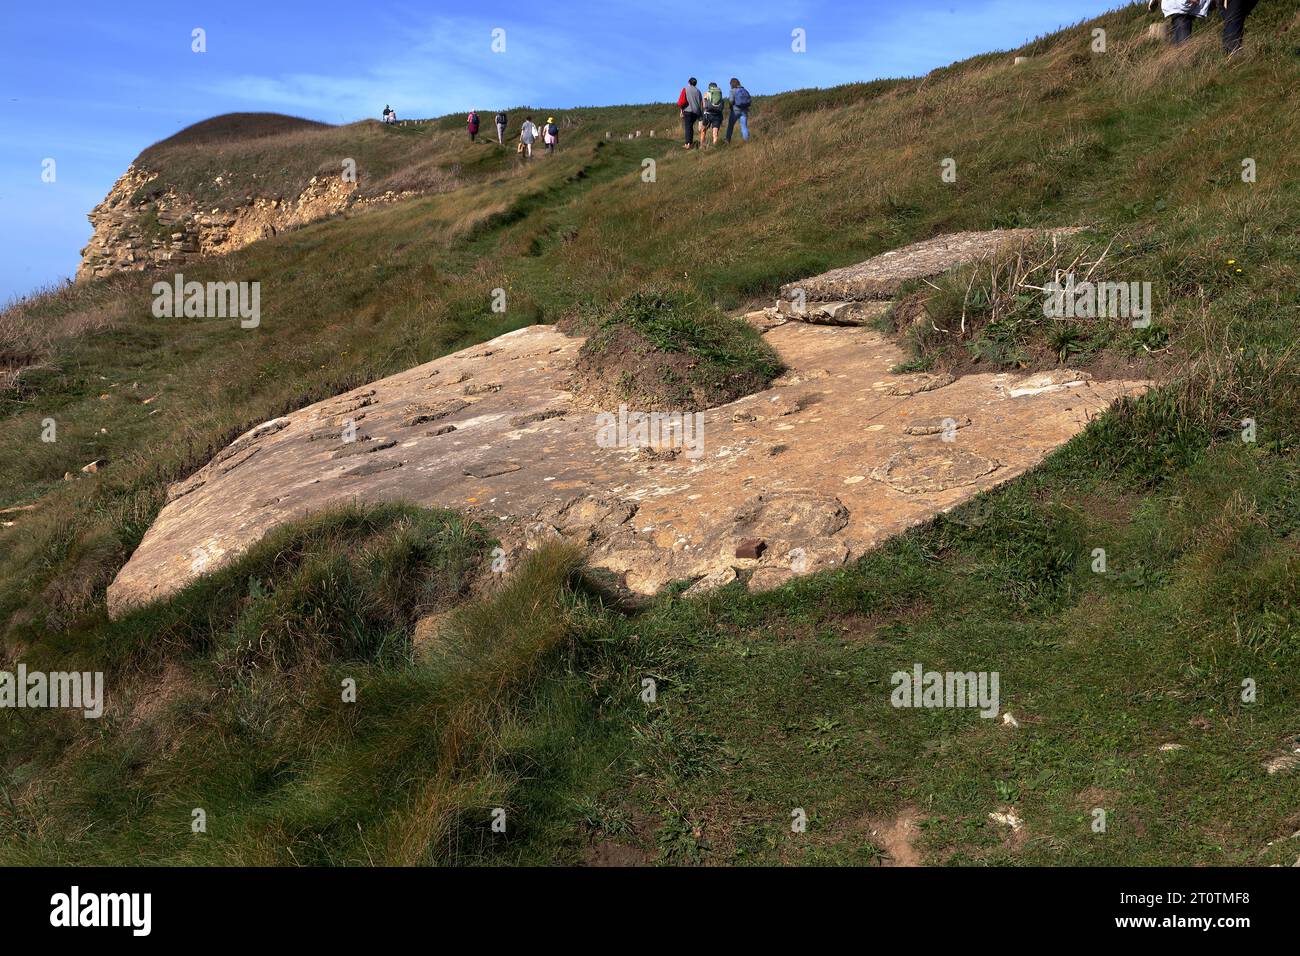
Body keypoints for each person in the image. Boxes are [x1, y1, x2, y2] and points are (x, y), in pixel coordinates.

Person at [677, 77, 704, 149]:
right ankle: (690, 143)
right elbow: (701, 103)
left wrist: (681, 110)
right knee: (690, 127)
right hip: (696, 112)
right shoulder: (698, 91)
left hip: (688, 111)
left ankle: (688, 144)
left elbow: (682, 101)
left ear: (689, 82)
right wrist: (700, 115)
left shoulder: (685, 89)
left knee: (688, 127)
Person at [726, 77, 751, 144]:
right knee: (744, 127)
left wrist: (730, 107)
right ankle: (747, 142)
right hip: (744, 111)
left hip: (735, 110)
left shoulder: (732, 90)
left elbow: (731, 101)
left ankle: (727, 141)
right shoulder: (744, 90)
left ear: (731, 84)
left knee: (730, 126)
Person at [701, 82, 724, 147]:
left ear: (709, 87)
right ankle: (715, 146)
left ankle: (702, 145)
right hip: (717, 115)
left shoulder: (706, 93)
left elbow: (704, 105)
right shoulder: (719, 93)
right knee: (715, 132)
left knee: (703, 130)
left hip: (708, 115)